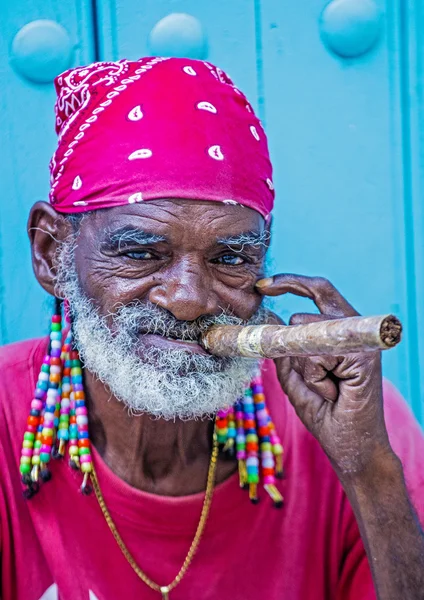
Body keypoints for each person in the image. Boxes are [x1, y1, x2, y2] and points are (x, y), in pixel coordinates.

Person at [0, 57, 423, 600]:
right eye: (141, 252)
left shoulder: (352, 419)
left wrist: (366, 469)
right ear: (51, 253)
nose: (190, 300)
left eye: (230, 258)